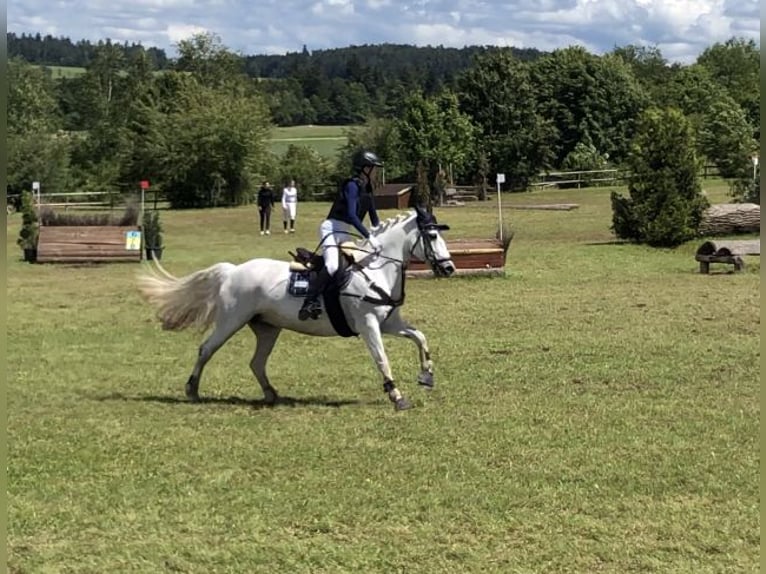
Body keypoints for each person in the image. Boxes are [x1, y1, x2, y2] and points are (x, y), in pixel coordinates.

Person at [299, 150, 383, 321]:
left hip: (345, 231)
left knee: (357, 263)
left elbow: (374, 218)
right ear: (364, 168)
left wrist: (380, 234)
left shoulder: (367, 189)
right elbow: (352, 215)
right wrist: (369, 237)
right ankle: (309, 301)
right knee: (331, 265)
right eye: (374, 168)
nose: (376, 172)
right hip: (331, 228)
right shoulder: (351, 185)